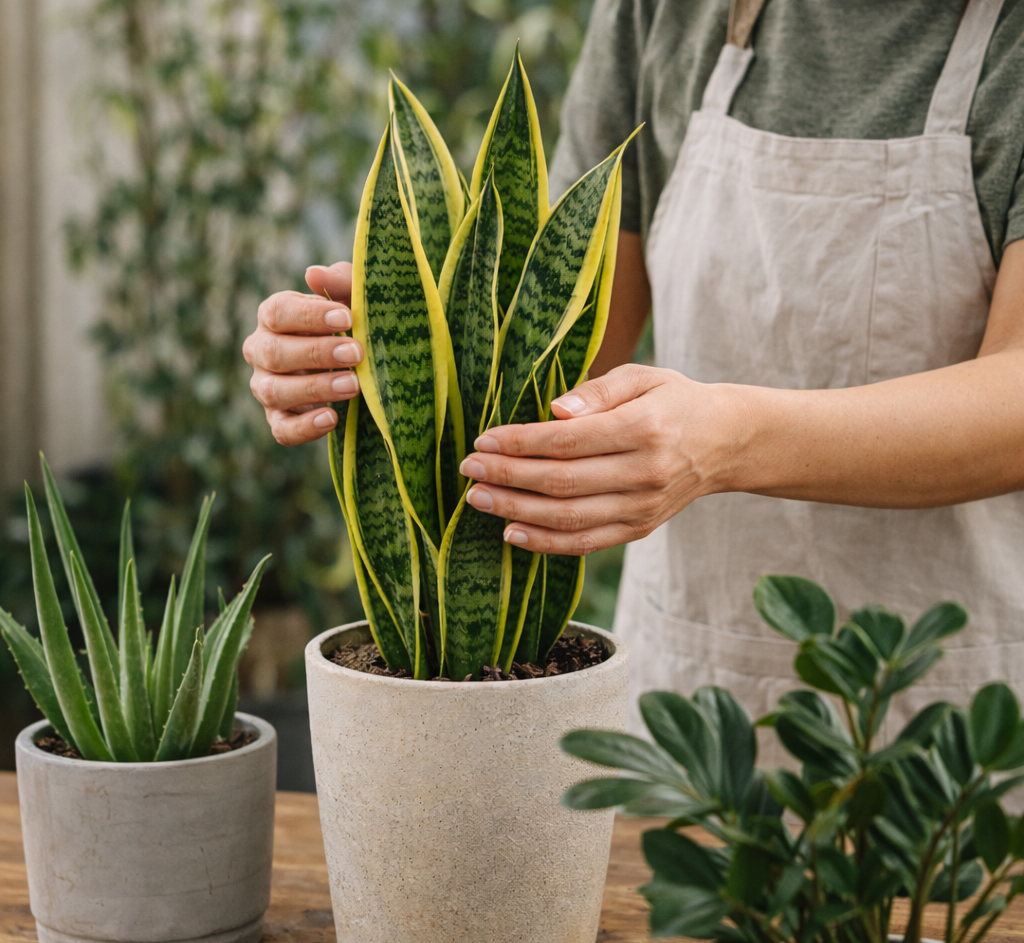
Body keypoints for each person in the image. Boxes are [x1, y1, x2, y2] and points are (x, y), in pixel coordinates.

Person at [244, 0, 1024, 752]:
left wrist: (726, 444)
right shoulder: (666, 12)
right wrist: (378, 360)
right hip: (688, 709)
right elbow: (560, 358)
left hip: (943, 727)